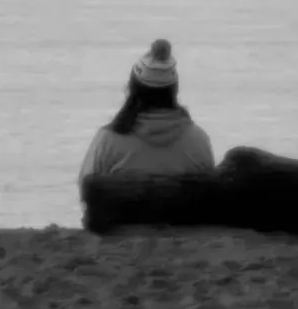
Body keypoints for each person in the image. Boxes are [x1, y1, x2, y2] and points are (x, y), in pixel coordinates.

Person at [78, 34, 219, 221]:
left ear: (133, 89)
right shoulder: (198, 141)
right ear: (174, 90)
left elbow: (86, 194)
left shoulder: (108, 141)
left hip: (121, 235)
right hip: (182, 234)